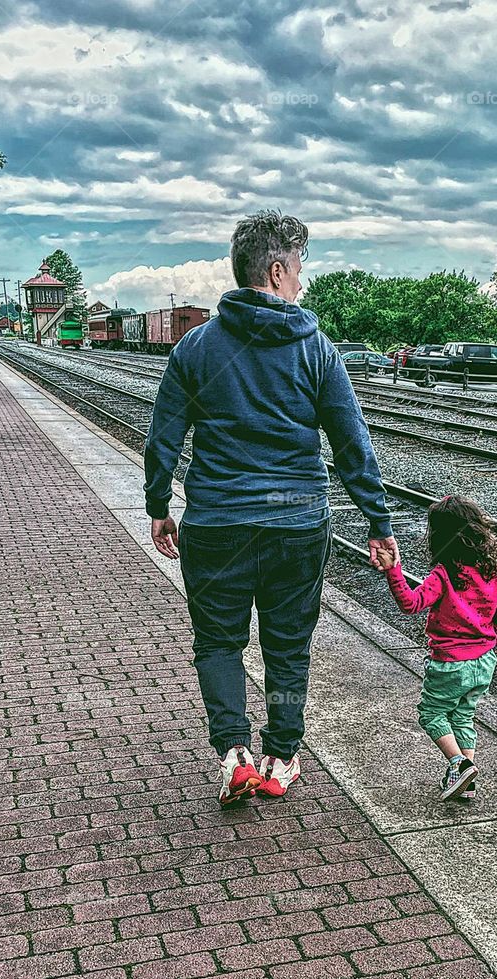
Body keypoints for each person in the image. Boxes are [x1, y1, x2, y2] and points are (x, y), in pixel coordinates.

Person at [144, 210, 398, 804]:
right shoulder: (318, 351)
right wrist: (378, 521)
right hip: (297, 527)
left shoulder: (195, 348)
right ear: (277, 270)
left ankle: (233, 754)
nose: (303, 282)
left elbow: (163, 437)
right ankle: (281, 758)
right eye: (300, 269)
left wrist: (159, 504)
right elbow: (351, 442)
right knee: (288, 646)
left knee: (218, 643)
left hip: (216, 523)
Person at [377, 495, 497, 800]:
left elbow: (411, 604)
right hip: (485, 661)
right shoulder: (493, 572)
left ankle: (458, 763)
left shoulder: (445, 574)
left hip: (451, 662)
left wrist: (393, 570)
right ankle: (466, 781)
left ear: (438, 536)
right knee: (463, 717)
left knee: (431, 714)